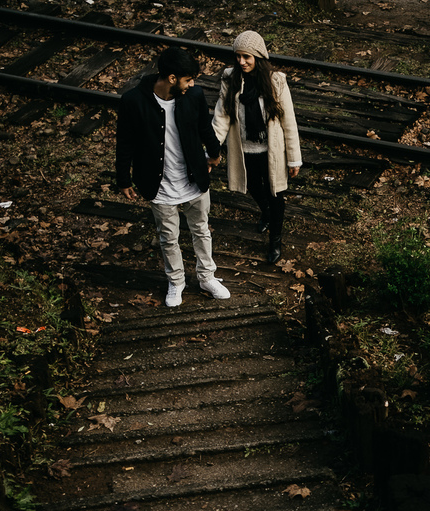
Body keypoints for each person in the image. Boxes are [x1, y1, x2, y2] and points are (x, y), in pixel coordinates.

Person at [115, 46, 228, 308]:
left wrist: (214, 153)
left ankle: (206, 277)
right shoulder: (133, 101)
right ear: (172, 78)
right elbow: (126, 143)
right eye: (188, 79)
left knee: (201, 229)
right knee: (168, 236)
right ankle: (176, 282)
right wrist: (123, 179)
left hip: (193, 177)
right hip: (159, 183)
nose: (193, 84)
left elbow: (204, 127)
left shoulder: (194, 95)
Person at [212, 30, 302, 264]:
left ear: (258, 57)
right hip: (244, 149)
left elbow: (288, 122)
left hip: (271, 152)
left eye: (247, 57)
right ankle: (267, 213)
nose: (241, 62)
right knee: (252, 185)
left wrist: (294, 159)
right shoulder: (230, 79)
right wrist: (212, 148)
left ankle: (275, 240)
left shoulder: (275, 81)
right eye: (238, 56)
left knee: (276, 194)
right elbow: (221, 116)